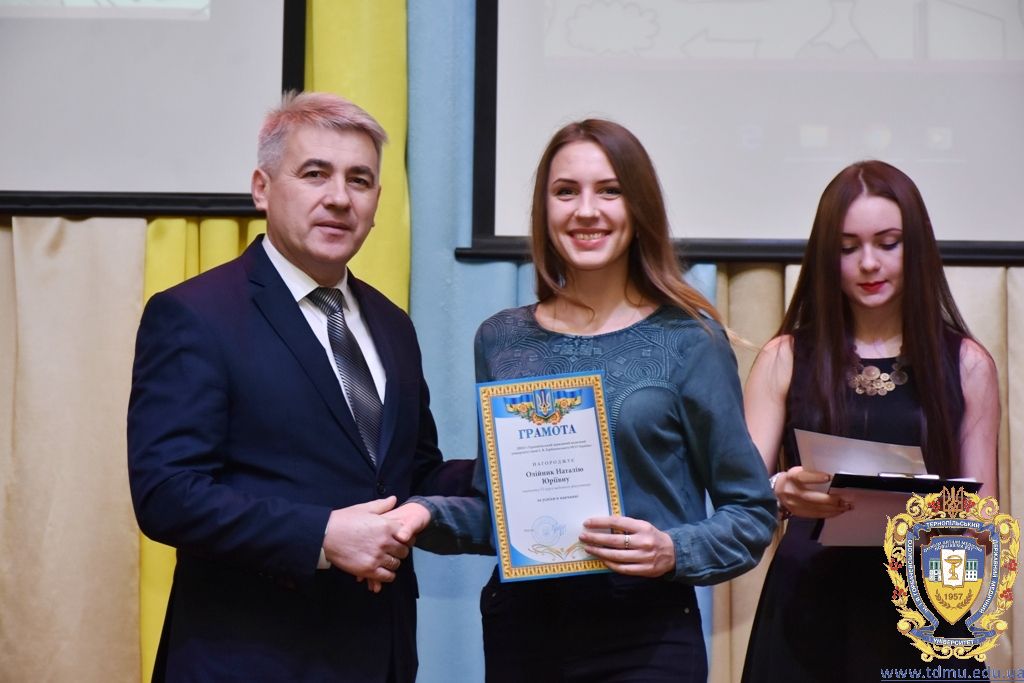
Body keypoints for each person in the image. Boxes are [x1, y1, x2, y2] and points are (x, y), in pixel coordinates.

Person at [386, 119, 778, 681]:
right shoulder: (501, 339)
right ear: (544, 210)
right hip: (524, 633)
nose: (586, 211)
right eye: (566, 191)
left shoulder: (691, 340)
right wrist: (425, 513)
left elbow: (751, 511)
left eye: (610, 191)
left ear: (639, 207)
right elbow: (498, 515)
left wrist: (672, 550)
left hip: (646, 636)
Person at [127, 91, 472, 682]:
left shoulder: (392, 325)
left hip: (378, 656)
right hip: (249, 659)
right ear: (262, 188)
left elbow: (410, 476)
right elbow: (167, 493)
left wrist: (516, 473)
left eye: (359, 180)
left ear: (377, 202)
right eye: (315, 174)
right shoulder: (196, 314)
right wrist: (322, 536)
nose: (339, 197)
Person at [740, 160, 999, 682]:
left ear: (916, 247)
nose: (868, 263)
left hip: (924, 611)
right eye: (847, 247)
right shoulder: (784, 357)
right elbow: (739, 502)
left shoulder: (967, 364)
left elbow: (983, 521)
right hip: (804, 605)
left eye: (888, 243)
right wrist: (780, 491)